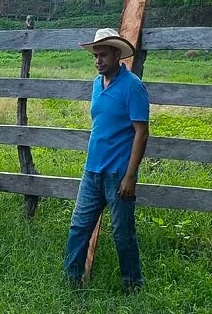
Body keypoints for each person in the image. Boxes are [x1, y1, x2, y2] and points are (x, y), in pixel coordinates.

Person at [63, 28, 149, 293]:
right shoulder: (96, 84)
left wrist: (130, 176)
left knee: (122, 232)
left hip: (118, 172)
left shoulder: (132, 86)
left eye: (103, 55)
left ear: (117, 55)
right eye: (95, 56)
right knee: (79, 226)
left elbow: (141, 131)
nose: (98, 61)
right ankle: (72, 279)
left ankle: (132, 284)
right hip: (93, 169)